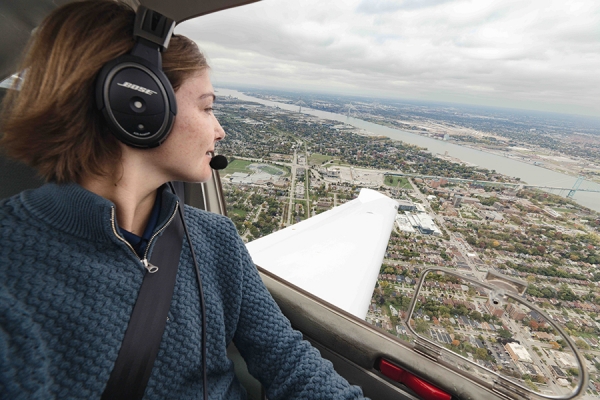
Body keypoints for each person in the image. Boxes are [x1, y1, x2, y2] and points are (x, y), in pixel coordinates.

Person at [0, 1, 367, 399]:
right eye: (207, 107)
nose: (220, 130)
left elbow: (289, 360)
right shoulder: (12, 265)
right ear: (137, 105)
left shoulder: (216, 238)